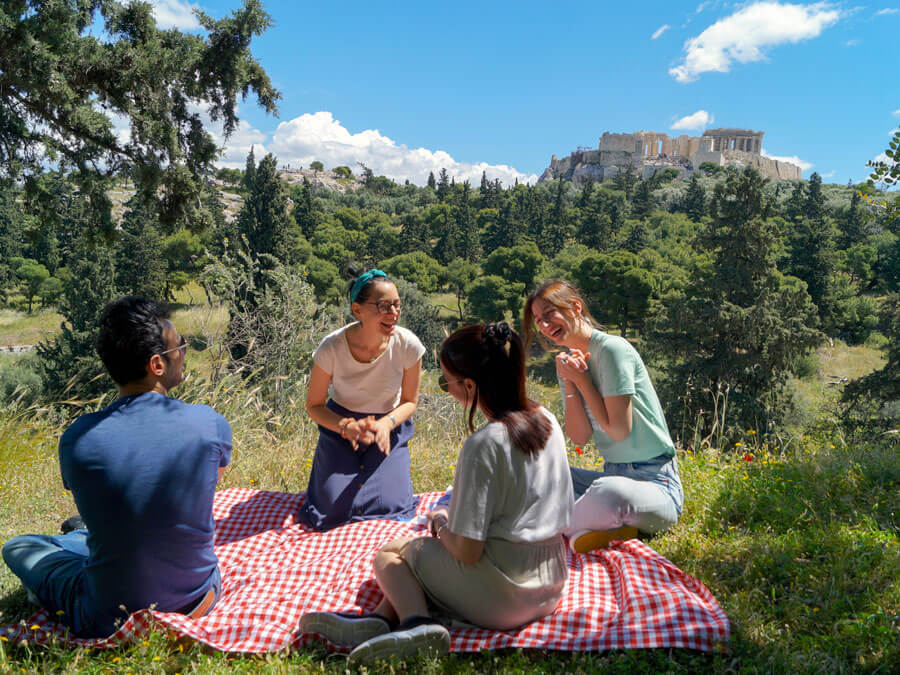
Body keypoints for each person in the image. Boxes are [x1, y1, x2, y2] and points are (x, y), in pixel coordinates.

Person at [299, 322, 574, 665]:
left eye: (448, 382)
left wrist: (439, 524)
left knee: (391, 555)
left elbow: (468, 551)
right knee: (415, 562)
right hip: (550, 584)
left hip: (505, 598)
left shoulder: (484, 445)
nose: (446, 390)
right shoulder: (547, 420)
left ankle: (417, 625)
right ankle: (380, 622)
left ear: (470, 385)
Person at [1, 297, 232, 638]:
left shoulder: (78, 438)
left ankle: (77, 540)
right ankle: (79, 536)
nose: (184, 352)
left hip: (105, 614)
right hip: (197, 598)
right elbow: (207, 488)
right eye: (180, 346)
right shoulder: (210, 424)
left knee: (18, 547)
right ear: (156, 364)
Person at [523, 279, 683, 554]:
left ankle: (556, 521)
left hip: (655, 484)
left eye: (549, 314)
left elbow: (619, 431)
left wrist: (583, 381)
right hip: (610, 474)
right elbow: (579, 437)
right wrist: (571, 383)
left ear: (574, 307)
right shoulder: (569, 362)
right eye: (538, 319)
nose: (544, 325)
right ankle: (595, 525)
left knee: (611, 494)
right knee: (533, 472)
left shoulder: (612, 350)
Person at [299, 268, 424, 531]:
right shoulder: (331, 348)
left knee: (390, 506)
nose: (394, 313)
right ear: (358, 310)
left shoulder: (408, 345)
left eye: (397, 305)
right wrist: (346, 426)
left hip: (389, 426)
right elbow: (314, 406)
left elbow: (410, 402)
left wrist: (386, 425)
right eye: (383, 306)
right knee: (331, 508)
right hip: (340, 426)